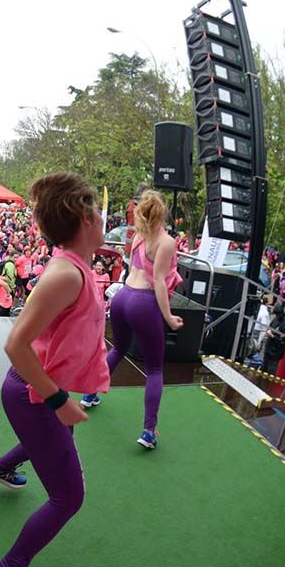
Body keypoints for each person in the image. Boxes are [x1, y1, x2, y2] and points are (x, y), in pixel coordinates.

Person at [0, 172, 109, 567]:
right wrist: (60, 402)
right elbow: (15, 345)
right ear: (85, 216)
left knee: (52, 449)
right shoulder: (64, 275)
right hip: (33, 392)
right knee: (69, 496)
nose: (104, 214)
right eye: (98, 208)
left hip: (41, 389)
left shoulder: (78, 265)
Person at [80, 190, 183, 450]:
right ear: (163, 213)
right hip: (143, 302)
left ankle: (90, 393)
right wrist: (169, 317)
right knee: (155, 370)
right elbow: (158, 281)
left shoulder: (138, 236)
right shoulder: (165, 241)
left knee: (119, 348)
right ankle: (149, 431)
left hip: (122, 297)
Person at [262, 303, 285, 375]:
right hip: (268, 349)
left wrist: (272, 336)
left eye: (277, 314)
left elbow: (283, 341)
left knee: (270, 373)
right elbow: (270, 326)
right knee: (263, 369)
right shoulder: (275, 319)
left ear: (281, 313)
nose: (276, 316)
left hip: (275, 353)